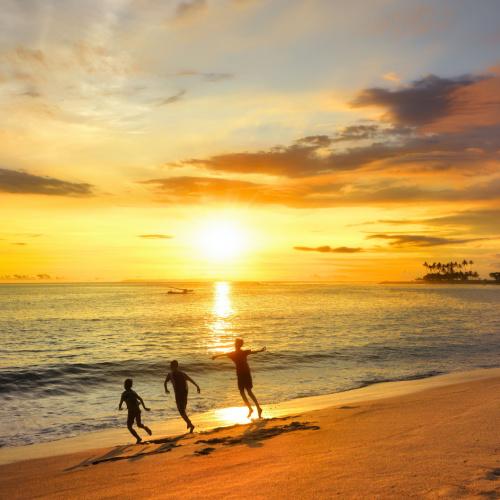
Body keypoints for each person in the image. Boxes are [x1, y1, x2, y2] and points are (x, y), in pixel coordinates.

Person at [212, 338, 266, 418]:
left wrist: (261, 350)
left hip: (246, 374)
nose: (235, 344)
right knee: (242, 392)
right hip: (240, 375)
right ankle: (250, 409)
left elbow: (252, 352)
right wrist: (216, 356)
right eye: (235, 343)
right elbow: (224, 354)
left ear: (239, 345)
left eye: (237, 343)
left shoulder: (243, 352)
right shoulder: (233, 353)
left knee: (249, 392)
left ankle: (258, 408)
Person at [164, 360, 201, 433]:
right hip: (178, 394)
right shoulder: (170, 374)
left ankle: (190, 423)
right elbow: (165, 382)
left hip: (183, 393)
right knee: (182, 410)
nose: (171, 367)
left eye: (172, 366)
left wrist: (197, 386)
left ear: (176, 366)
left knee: (181, 410)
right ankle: (189, 423)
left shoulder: (182, 374)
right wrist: (166, 389)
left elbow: (190, 380)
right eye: (171, 366)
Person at [118, 378, 152, 444]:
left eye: (125, 384)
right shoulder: (132, 392)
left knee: (129, 426)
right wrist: (144, 407)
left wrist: (120, 408)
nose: (124, 386)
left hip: (132, 411)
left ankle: (138, 438)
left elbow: (120, 403)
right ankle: (145, 429)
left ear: (126, 386)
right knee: (138, 425)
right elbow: (140, 399)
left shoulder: (124, 394)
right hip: (136, 410)